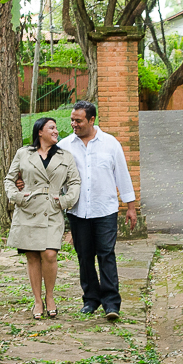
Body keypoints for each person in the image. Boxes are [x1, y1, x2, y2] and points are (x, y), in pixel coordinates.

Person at [60, 100, 137, 321]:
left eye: (79, 120)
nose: (74, 124)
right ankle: (91, 300)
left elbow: (122, 175)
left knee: (106, 254)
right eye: (72, 120)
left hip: (105, 210)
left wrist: (130, 207)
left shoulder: (111, 144)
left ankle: (111, 303)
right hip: (78, 211)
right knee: (84, 257)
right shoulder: (65, 146)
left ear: (92, 120)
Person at [4, 117, 81, 320]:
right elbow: (9, 179)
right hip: (28, 210)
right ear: (40, 132)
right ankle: (37, 300)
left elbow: (74, 182)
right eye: (52, 128)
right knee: (32, 256)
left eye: (56, 128)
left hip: (52, 209)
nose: (56, 131)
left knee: (49, 254)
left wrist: (65, 201)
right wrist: (18, 197)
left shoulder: (66, 156)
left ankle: (50, 296)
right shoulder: (23, 153)